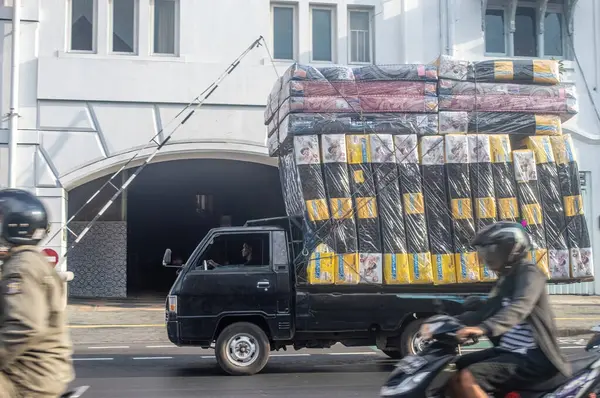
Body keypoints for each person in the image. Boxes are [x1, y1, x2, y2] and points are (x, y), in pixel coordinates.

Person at [429, 221, 570, 397]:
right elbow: (484, 312)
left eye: (491, 251)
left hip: (534, 356)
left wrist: (483, 328)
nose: (486, 257)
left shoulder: (530, 272)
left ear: (509, 249)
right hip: (508, 350)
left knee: (468, 378)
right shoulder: (505, 279)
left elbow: (520, 306)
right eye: (484, 252)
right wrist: (444, 324)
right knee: (451, 368)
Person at [0, 189, 74, 397]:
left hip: (28, 377)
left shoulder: (22, 266)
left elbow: (24, 325)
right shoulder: (29, 262)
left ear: (15, 225)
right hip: (35, 371)